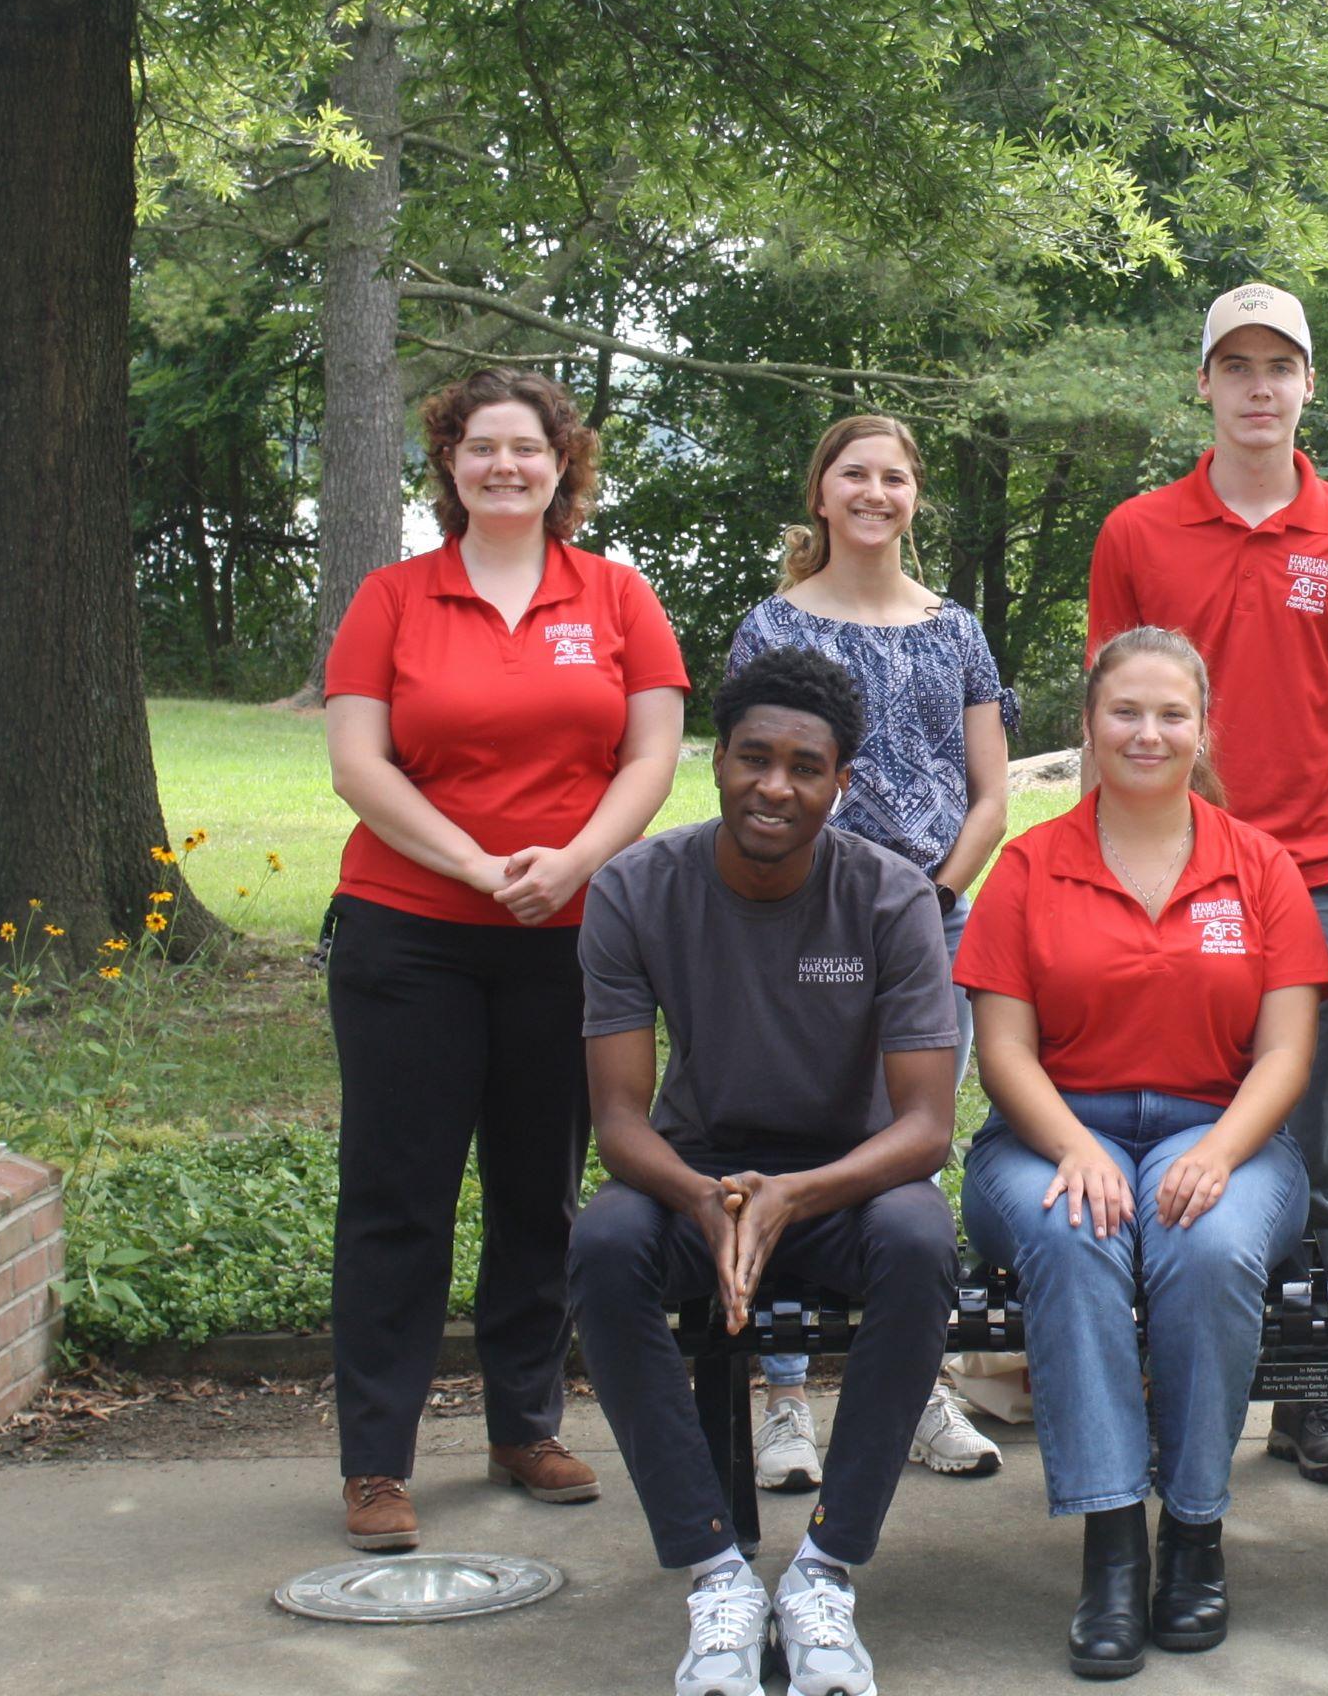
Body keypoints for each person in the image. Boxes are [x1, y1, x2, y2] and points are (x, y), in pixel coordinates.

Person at [320, 365, 688, 1553]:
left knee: (541, 1189)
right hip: (407, 936)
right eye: (480, 447)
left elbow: (651, 754)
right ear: (450, 464)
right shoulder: (394, 597)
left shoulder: (619, 596)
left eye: (526, 447)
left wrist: (573, 861)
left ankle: (525, 1423)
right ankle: (377, 1461)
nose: (504, 466)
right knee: (398, 1197)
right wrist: (480, 866)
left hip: (569, 939)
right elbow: (359, 766)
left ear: (561, 463)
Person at [1085, 281, 1328, 1485]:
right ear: (1205, 385)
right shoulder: (1137, 530)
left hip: (1323, 874)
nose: (1258, 386)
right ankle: (1167, 1377)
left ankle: (1311, 1392)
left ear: (1307, 384)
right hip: (1168, 879)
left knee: (1315, 1148)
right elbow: (1111, 707)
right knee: (1172, 1116)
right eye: (1235, 365)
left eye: (1279, 365)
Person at [568, 646, 962, 1696]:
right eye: (753, 757)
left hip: (849, 1179)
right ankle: (716, 1572)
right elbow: (616, 1120)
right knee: (604, 1242)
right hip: (696, 1174)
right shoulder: (635, 887)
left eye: (804, 765)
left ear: (843, 781)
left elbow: (926, 1127)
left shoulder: (890, 896)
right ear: (716, 760)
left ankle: (827, 1569)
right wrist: (704, 1195)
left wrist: (796, 1193)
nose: (774, 785)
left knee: (924, 1240)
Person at [955, 627, 1328, 1678]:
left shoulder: (1257, 866)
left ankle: (1197, 1533)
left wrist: (1217, 1148)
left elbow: (1289, 1050)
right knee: (1078, 1229)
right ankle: (1113, 1542)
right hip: (1046, 1133)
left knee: (1203, 1240)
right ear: (1088, 724)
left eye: (1173, 714)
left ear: (1203, 728)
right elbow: (1004, 1051)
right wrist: (1074, 1144)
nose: (1149, 732)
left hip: (1226, 1129)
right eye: (1126, 711)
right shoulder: (1030, 864)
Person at [725, 413, 1014, 1489]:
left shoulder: (956, 630)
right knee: (789, 1128)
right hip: (798, 915)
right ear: (821, 491)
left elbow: (989, 793)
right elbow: (759, 782)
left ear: (914, 496)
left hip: (929, 918)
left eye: (895, 476)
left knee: (909, 1145)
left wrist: (932, 894)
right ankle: (786, 1395)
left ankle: (916, 1382)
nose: (876, 491)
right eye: (855, 471)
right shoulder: (772, 626)